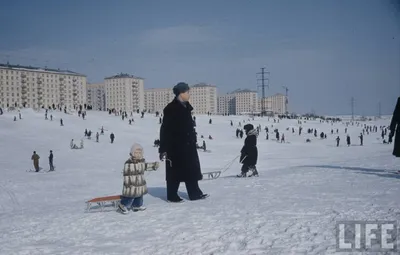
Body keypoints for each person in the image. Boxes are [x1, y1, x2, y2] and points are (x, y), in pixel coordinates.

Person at [159, 82, 208, 203]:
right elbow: (165, 129)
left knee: (191, 169)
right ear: (181, 93)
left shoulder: (186, 107)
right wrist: (163, 148)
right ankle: (172, 195)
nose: (189, 94)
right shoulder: (170, 109)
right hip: (175, 147)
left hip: (188, 146)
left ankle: (195, 193)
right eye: (187, 92)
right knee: (174, 172)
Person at [117, 143, 159, 214]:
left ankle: (137, 205)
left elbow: (146, 166)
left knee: (139, 195)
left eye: (140, 153)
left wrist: (154, 165)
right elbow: (126, 174)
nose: (138, 154)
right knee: (129, 196)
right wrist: (128, 184)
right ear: (132, 153)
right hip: (131, 185)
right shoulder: (128, 163)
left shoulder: (142, 162)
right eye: (136, 153)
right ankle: (122, 205)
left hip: (140, 183)